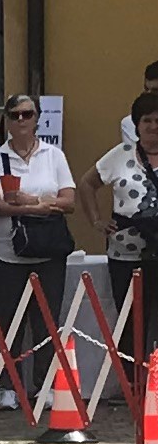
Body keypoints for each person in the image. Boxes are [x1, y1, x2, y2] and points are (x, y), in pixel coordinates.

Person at [0, 93, 77, 389]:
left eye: (27, 114)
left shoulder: (54, 155)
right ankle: (9, 387)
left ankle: (45, 386)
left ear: (37, 118)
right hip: (5, 250)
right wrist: (35, 208)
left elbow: (70, 200)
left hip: (48, 251)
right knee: (8, 322)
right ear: (7, 121)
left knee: (47, 322)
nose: (21, 120)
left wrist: (31, 201)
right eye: (15, 115)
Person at [91, 92, 158, 368]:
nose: (153, 126)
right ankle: (132, 382)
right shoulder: (120, 155)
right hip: (126, 253)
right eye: (147, 120)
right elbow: (87, 184)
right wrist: (96, 220)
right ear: (137, 124)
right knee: (130, 321)